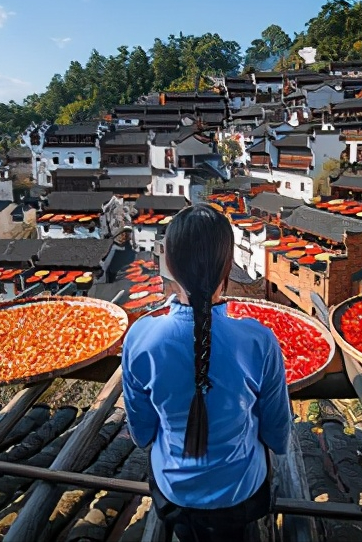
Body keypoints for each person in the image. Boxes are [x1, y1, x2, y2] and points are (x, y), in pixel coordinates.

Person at [121, 204, 292, 542]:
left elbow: (142, 435)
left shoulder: (141, 338)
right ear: (228, 265)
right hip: (241, 493)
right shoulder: (258, 341)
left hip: (174, 493)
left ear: (169, 264)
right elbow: (277, 435)